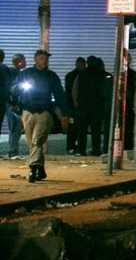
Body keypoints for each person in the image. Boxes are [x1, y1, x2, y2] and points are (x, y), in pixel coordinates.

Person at [10, 50, 69, 182]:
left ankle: (33, 168)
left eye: (46, 59)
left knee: (37, 140)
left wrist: (63, 114)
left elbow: (59, 94)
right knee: (32, 142)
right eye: (42, 58)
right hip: (27, 111)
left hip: (44, 112)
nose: (45, 61)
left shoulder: (51, 76)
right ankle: (40, 169)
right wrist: (16, 98)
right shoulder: (26, 73)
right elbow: (13, 89)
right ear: (36, 59)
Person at [74, 56, 108, 156]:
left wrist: (77, 103)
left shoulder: (81, 75)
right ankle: (96, 150)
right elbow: (105, 92)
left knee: (82, 131)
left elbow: (75, 90)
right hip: (97, 107)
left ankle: (81, 150)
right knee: (96, 131)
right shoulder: (102, 75)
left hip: (83, 107)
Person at [6, 52, 27, 159]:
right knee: (15, 128)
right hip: (12, 105)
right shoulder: (14, 73)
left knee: (15, 128)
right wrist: (13, 103)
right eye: (24, 60)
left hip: (12, 104)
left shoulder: (15, 72)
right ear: (19, 62)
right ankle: (12, 152)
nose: (26, 62)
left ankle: (13, 151)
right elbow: (12, 90)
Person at [64, 57, 86, 154]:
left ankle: (71, 146)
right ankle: (72, 146)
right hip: (74, 107)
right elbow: (70, 92)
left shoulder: (70, 75)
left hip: (73, 107)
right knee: (75, 127)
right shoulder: (74, 76)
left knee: (74, 127)